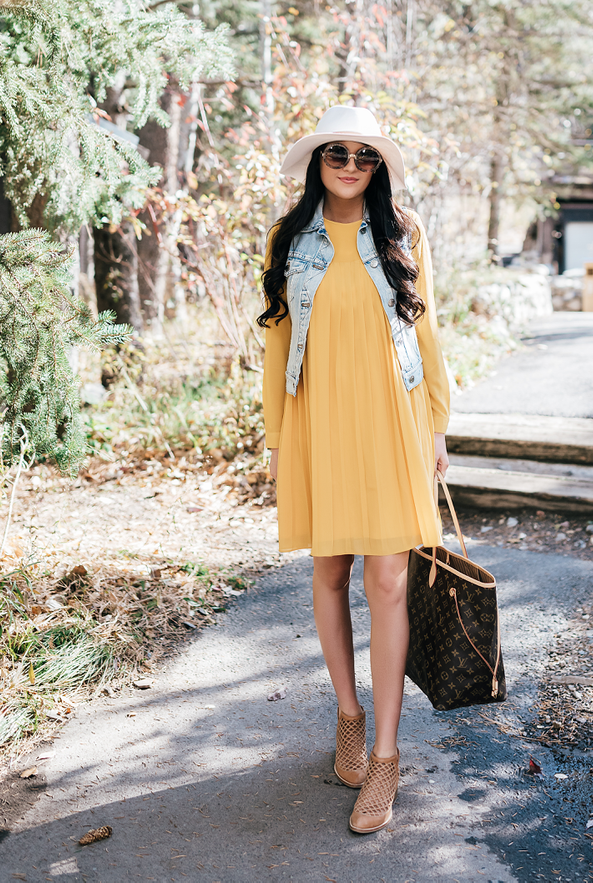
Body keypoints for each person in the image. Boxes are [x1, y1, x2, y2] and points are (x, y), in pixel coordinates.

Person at [258, 105, 449, 834]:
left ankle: (388, 755)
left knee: (389, 579)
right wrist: (278, 437)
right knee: (331, 571)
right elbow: (277, 345)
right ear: (317, 162)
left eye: (363, 154)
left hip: (393, 420)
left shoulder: (403, 232)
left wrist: (436, 421)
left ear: (377, 166)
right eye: (335, 152)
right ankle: (348, 713)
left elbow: (427, 328)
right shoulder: (288, 236)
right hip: (319, 421)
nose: (348, 163)